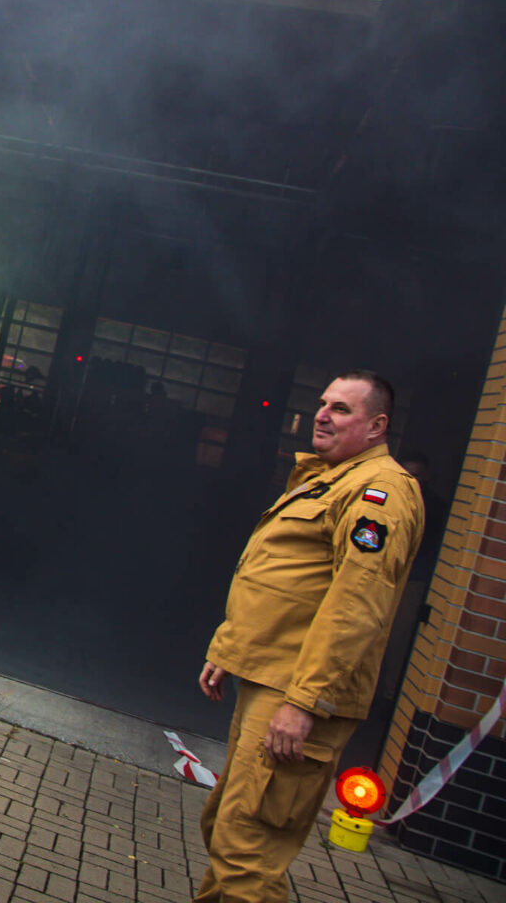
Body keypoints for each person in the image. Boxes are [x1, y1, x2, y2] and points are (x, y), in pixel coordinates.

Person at [195, 370, 424, 902]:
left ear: (377, 426)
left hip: (299, 693)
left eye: (342, 408)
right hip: (273, 675)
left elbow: (357, 607)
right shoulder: (332, 478)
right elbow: (293, 585)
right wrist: (232, 650)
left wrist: (304, 703)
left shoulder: (378, 492)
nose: (322, 414)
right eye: (323, 403)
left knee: (246, 855)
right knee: (228, 832)